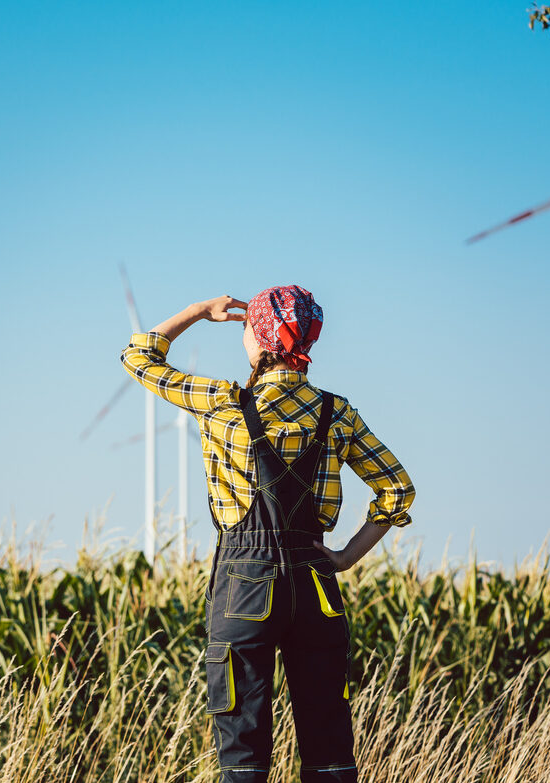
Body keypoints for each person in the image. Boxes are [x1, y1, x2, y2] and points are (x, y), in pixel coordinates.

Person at [119, 285, 415, 783]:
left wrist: (196, 311)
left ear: (259, 337)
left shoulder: (221, 402)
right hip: (315, 583)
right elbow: (397, 490)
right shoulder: (336, 412)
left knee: (244, 751)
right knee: (329, 751)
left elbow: (138, 355)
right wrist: (344, 557)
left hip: (243, 582)